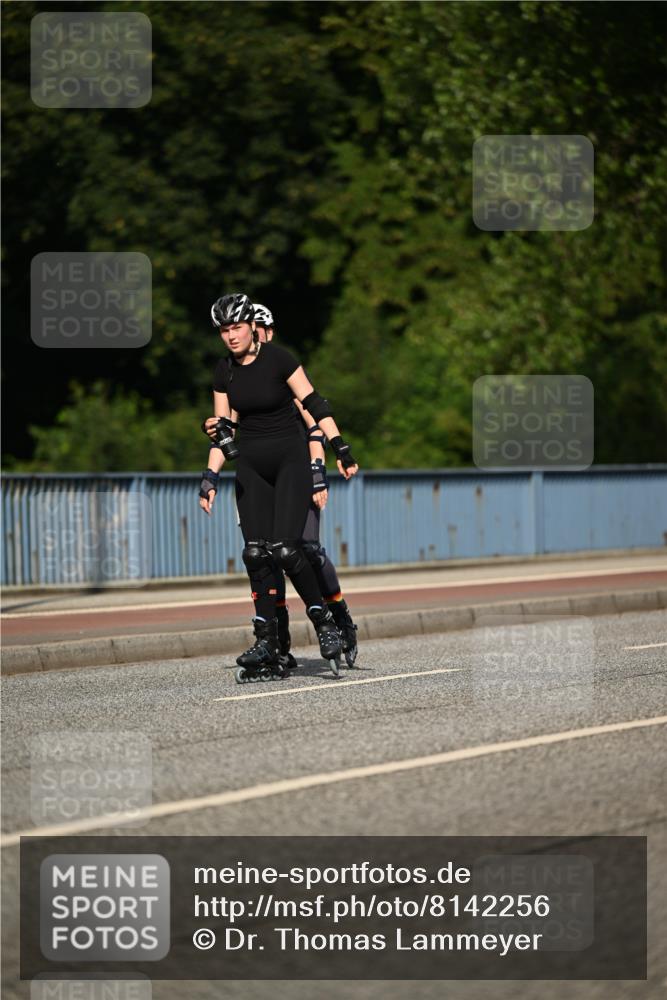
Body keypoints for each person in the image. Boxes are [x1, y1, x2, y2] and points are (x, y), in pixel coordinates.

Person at [199, 292, 359, 682]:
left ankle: (324, 624)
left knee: (288, 549)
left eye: (236, 327)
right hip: (252, 465)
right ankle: (268, 644)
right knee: (255, 553)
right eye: (224, 330)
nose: (231, 336)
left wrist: (341, 448)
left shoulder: (279, 359)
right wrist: (211, 466)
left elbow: (314, 404)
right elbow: (226, 429)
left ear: (252, 326)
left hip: (290, 460)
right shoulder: (224, 371)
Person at [250, 304, 358, 667]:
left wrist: (317, 475)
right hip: (263, 477)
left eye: (263, 329)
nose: (257, 336)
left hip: (298, 472)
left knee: (306, 548)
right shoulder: (242, 376)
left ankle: (339, 616)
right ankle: (277, 639)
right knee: (263, 554)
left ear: (270, 332)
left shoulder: (284, 372)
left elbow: (316, 427)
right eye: (253, 328)